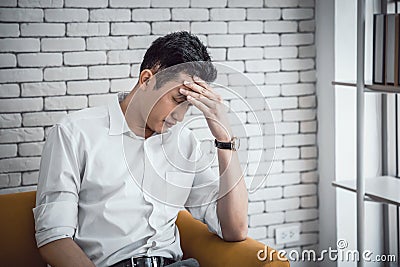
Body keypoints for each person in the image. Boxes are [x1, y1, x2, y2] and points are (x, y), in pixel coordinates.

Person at [33, 31, 248, 267]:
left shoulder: (184, 143)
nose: (180, 116)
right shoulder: (74, 133)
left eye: (189, 106)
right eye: (177, 100)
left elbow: (234, 229)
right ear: (147, 79)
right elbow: (54, 239)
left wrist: (225, 140)